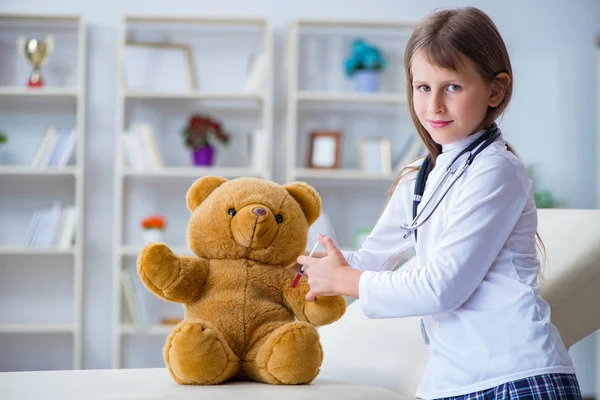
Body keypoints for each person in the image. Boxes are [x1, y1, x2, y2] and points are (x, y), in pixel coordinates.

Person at [295, 6, 582, 400]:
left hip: (516, 377)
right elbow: (372, 258)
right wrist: (303, 267)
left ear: (495, 90)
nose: (434, 107)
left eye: (453, 87)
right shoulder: (420, 174)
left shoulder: (496, 169)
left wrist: (346, 280)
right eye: (422, 87)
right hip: (451, 379)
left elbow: (441, 288)